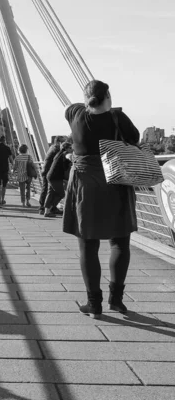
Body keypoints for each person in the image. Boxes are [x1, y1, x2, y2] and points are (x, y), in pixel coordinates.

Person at [63, 80, 140, 318]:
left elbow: (73, 107)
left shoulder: (76, 116)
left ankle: (93, 304)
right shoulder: (119, 118)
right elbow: (135, 139)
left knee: (88, 245)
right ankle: (116, 300)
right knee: (119, 242)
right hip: (116, 181)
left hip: (86, 186)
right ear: (108, 96)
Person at [43, 141, 72, 217]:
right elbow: (68, 156)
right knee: (61, 194)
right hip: (56, 177)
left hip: (50, 175)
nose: (72, 149)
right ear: (66, 148)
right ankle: (50, 209)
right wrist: (72, 158)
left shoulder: (58, 154)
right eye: (70, 148)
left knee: (50, 193)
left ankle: (46, 211)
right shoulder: (64, 153)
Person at [39, 137, 64, 215]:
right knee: (49, 190)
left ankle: (48, 208)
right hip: (49, 171)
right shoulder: (56, 149)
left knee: (49, 190)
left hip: (47, 171)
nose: (63, 143)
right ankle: (45, 208)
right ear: (58, 142)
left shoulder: (52, 147)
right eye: (63, 142)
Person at [0, 135, 14, 207]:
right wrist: (12, 166)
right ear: (4, 141)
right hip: (5, 168)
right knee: (4, 185)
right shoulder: (7, 148)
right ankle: (3, 199)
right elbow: (10, 159)